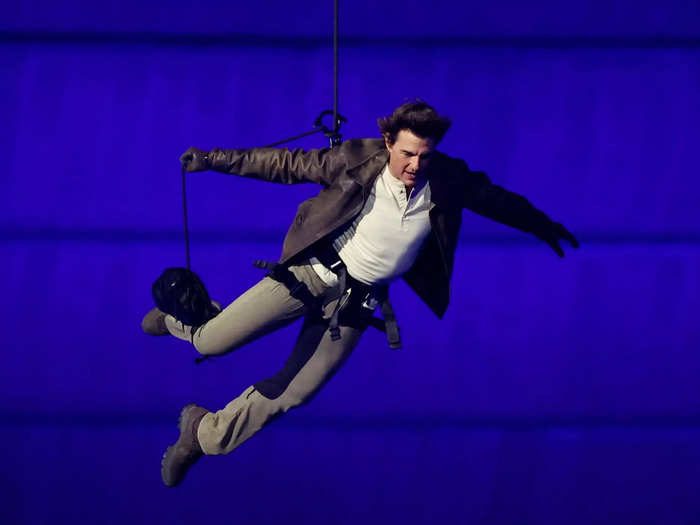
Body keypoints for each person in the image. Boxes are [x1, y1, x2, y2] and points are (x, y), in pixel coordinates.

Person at [141, 100, 578, 487]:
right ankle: (174, 321)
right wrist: (213, 159)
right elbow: (287, 164)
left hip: (354, 303)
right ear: (389, 141)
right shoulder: (356, 159)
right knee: (211, 340)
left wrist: (543, 225)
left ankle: (202, 434)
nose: (414, 165)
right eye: (406, 153)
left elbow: (497, 200)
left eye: (424, 156)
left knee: (296, 392)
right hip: (310, 275)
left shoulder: (447, 178)